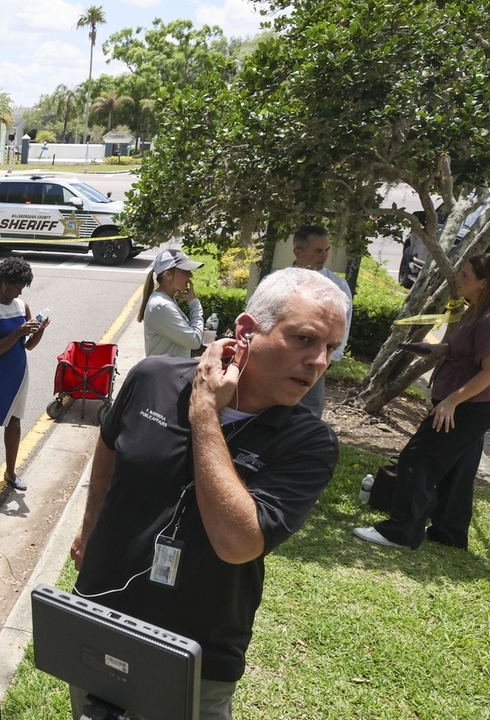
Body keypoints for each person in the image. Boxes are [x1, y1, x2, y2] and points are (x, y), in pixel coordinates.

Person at [68, 267, 349, 720]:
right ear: (246, 331)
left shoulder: (308, 442)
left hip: (197, 652)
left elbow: (237, 542)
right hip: (104, 615)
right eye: (304, 340)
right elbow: (109, 445)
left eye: (330, 348)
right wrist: (89, 528)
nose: (319, 361)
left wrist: (204, 413)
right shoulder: (153, 377)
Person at [354, 253, 490, 550]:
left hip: (468, 405)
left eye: (465, 275)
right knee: (460, 466)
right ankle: (449, 533)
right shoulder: (475, 311)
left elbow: (489, 373)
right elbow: (462, 352)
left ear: (483, 283)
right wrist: (432, 350)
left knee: (417, 456)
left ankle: (400, 531)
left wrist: (452, 402)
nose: (458, 278)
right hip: (466, 403)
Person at [0, 257, 48, 493]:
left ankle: (11, 472)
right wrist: (18, 331)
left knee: (14, 422)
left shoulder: (21, 305)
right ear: (4, 283)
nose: (20, 292)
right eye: (17, 286)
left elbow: (28, 346)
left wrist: (39, 331)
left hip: (18, 372)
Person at [290, 225, 353, 418]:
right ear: (298, 252)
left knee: (308, 414)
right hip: (280, 357)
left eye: (327, 250)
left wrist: (330, 357)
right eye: (317, 251)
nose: (324, 256)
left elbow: (345, 324)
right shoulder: (278, 281)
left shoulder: (338, 286)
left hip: (315, 363)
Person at [138, 248, 205, 358]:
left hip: (170, 372)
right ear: (168, 274)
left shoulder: (165, 300)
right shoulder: (162, 305)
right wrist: (194, 303)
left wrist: (194, 328)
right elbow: (194, 341)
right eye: (185, 271)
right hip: (165, 374)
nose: (190, 275)